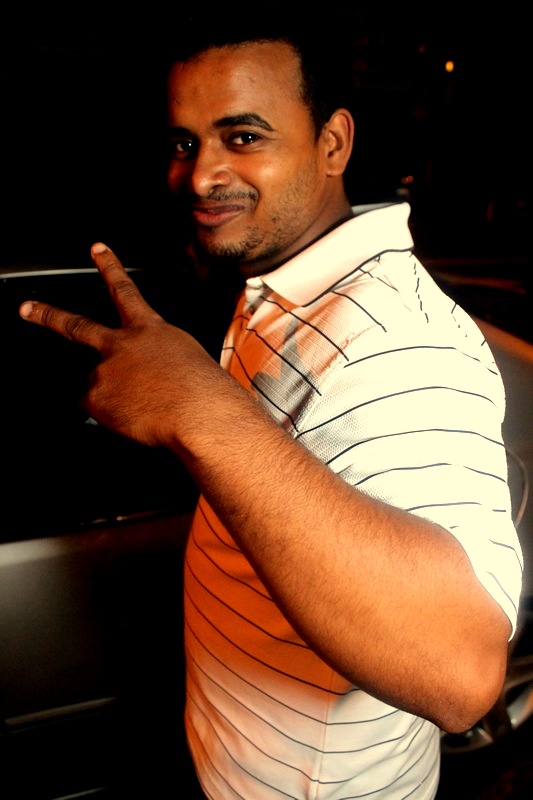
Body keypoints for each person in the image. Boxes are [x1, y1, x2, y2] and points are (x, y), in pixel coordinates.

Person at [19, 13, 523, 799]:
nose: (200, 176)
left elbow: (460, 676)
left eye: (243, 136)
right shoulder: (284, 288)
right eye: (184, 143)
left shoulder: (394, 340)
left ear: (332, 143)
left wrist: (198, 409)